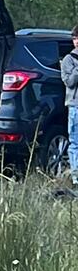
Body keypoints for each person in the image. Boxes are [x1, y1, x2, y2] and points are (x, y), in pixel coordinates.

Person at [63, 25, 78, 187]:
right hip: (75, 106)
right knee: (75, 142)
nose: (76, 41)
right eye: (74, 38)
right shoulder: (69, 59)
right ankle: (76, 176)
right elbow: (69, 82)